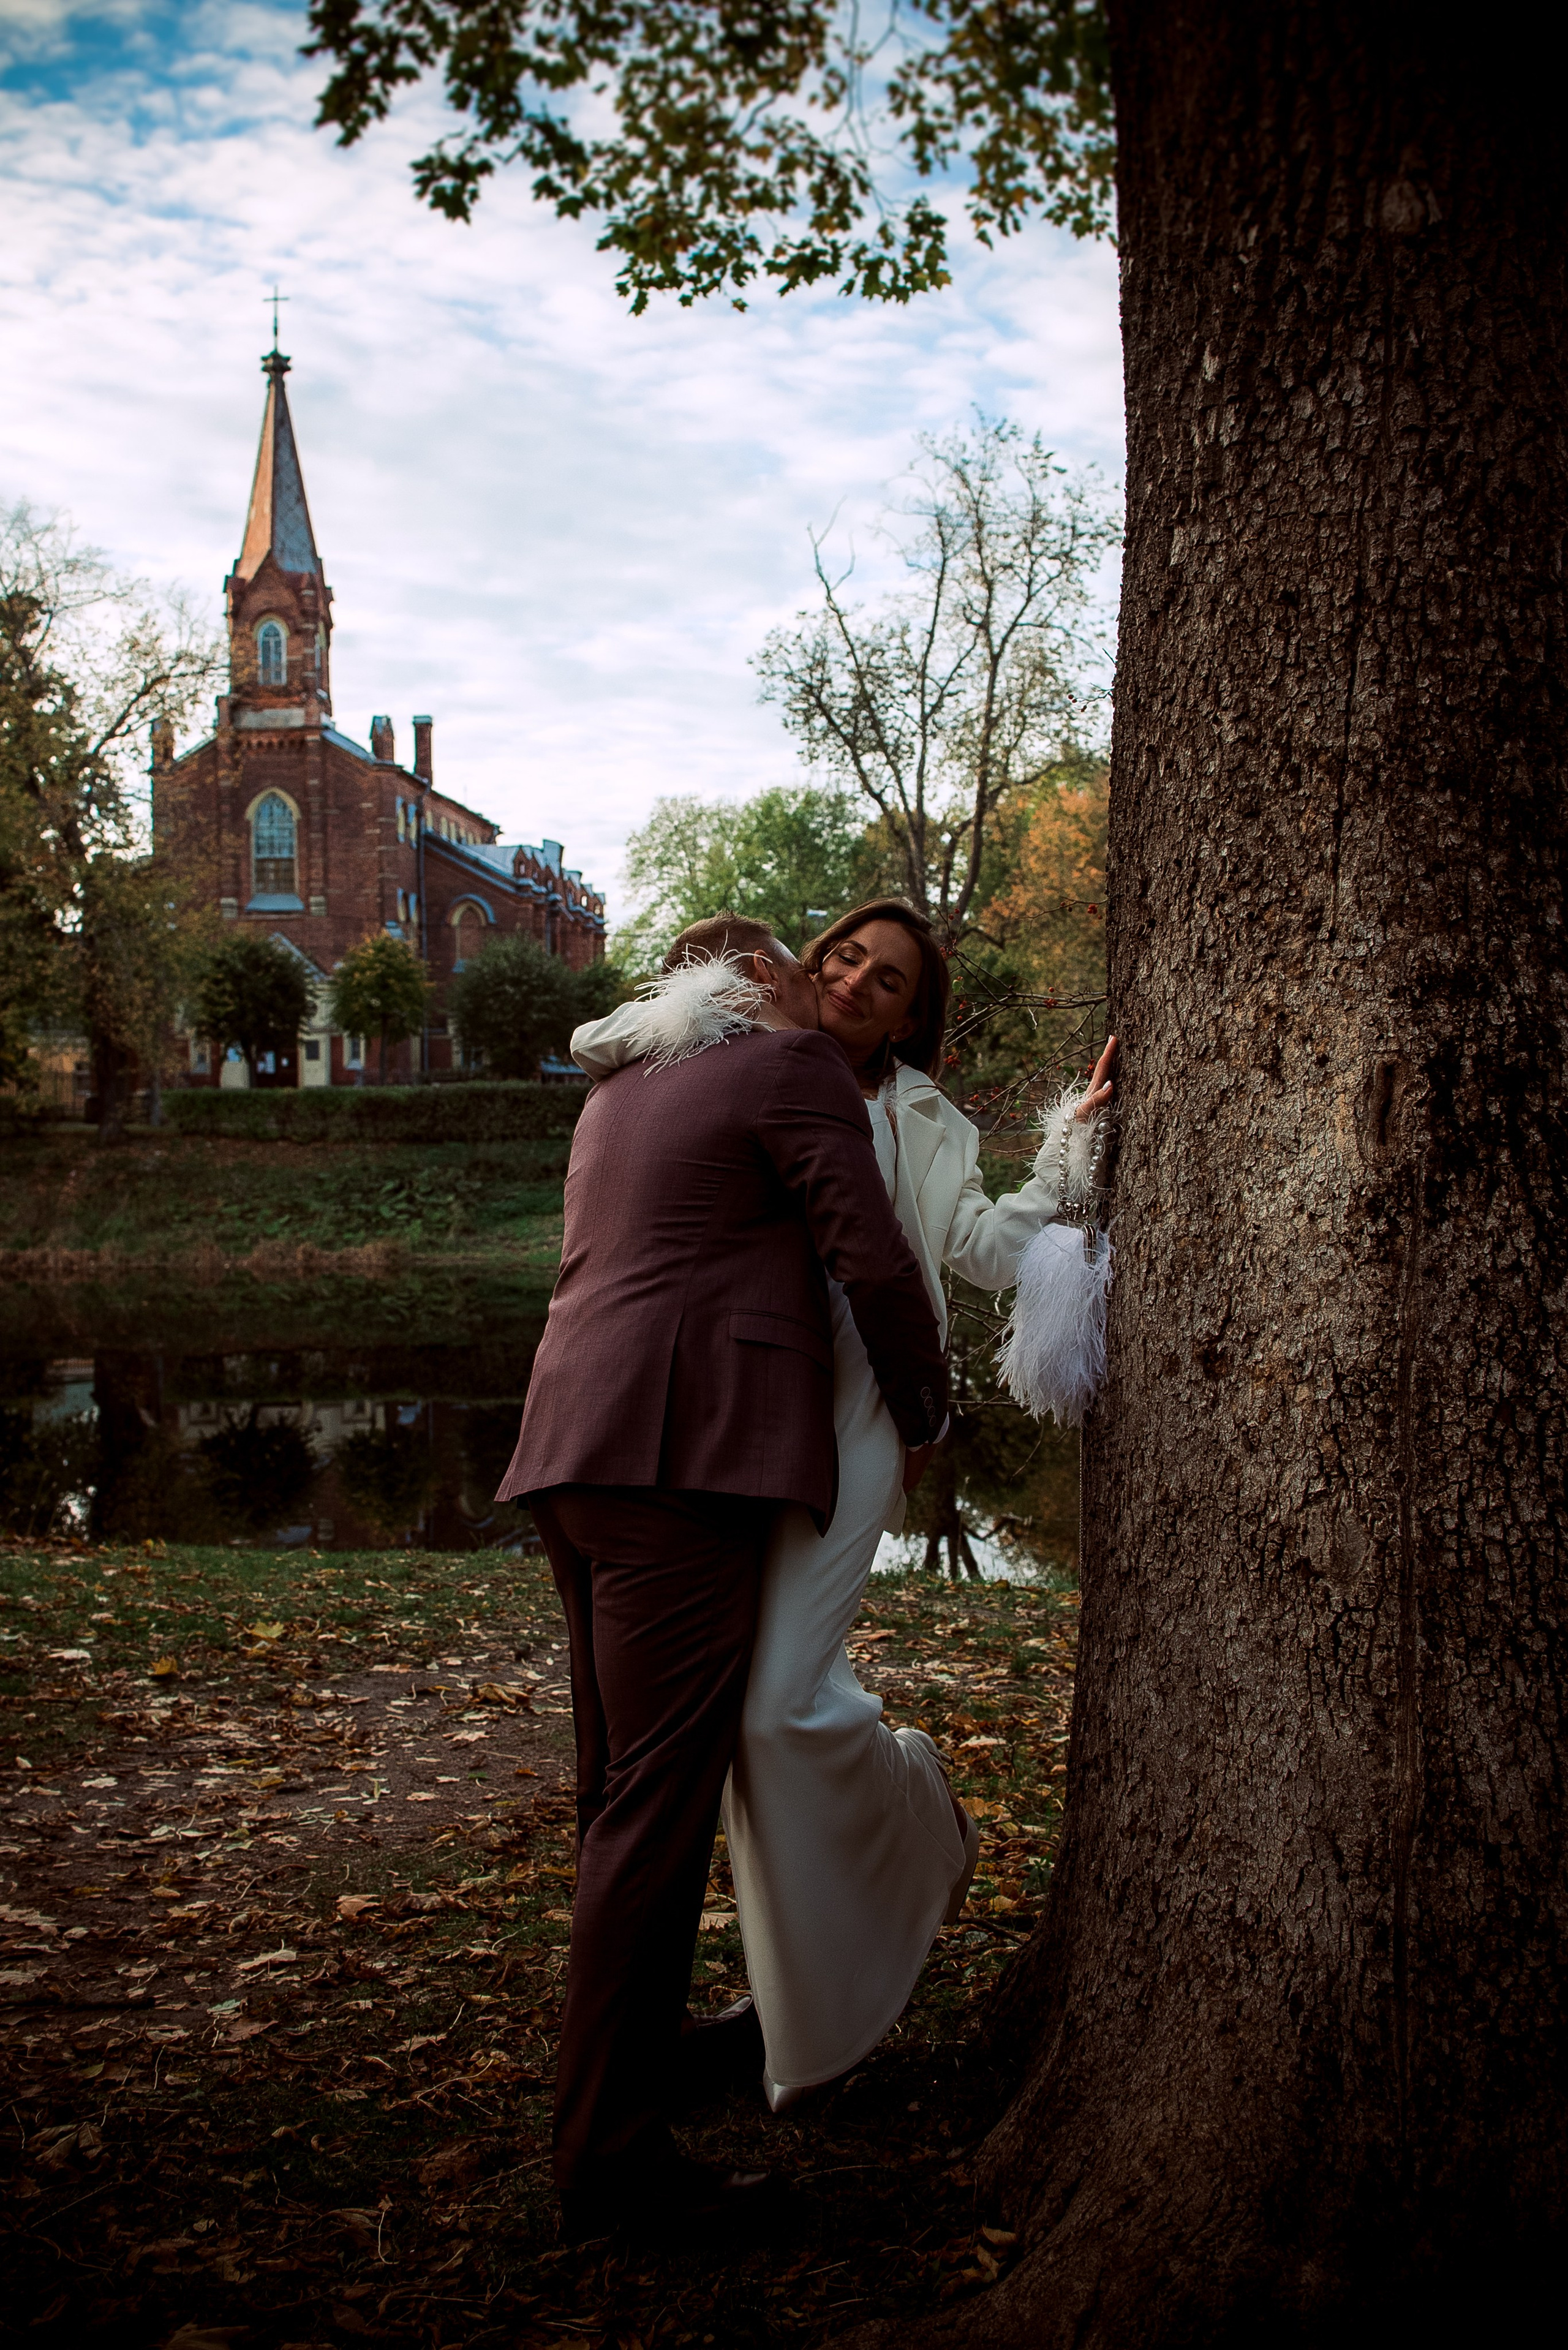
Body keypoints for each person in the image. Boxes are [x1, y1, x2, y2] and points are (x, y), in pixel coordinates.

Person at [571, 898, 1114, 2108]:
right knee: (734, 1737)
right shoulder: (732, 1059)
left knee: (775, 1715)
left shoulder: (925, 1122)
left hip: (856, 1419)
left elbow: (980, 1246)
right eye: (846, 956)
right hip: (733, 1425)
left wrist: (1071, 1148)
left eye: (893, 981)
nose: (861, 980)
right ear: (807, 964)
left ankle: (919, 1815)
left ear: (915, 1017)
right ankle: (789, 2010)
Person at [495, 913, 948, 2240]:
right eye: (804, 969)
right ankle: (612, 2163)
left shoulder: (623, 1087)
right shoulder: (786, 1068)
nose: (826, 989)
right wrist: (921, 1412)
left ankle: (623, 2085)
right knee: (654, 1814)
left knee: (614, 1800)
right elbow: (869, 1255)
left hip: (567, 1453)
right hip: (681, 1463)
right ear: (746, 986)